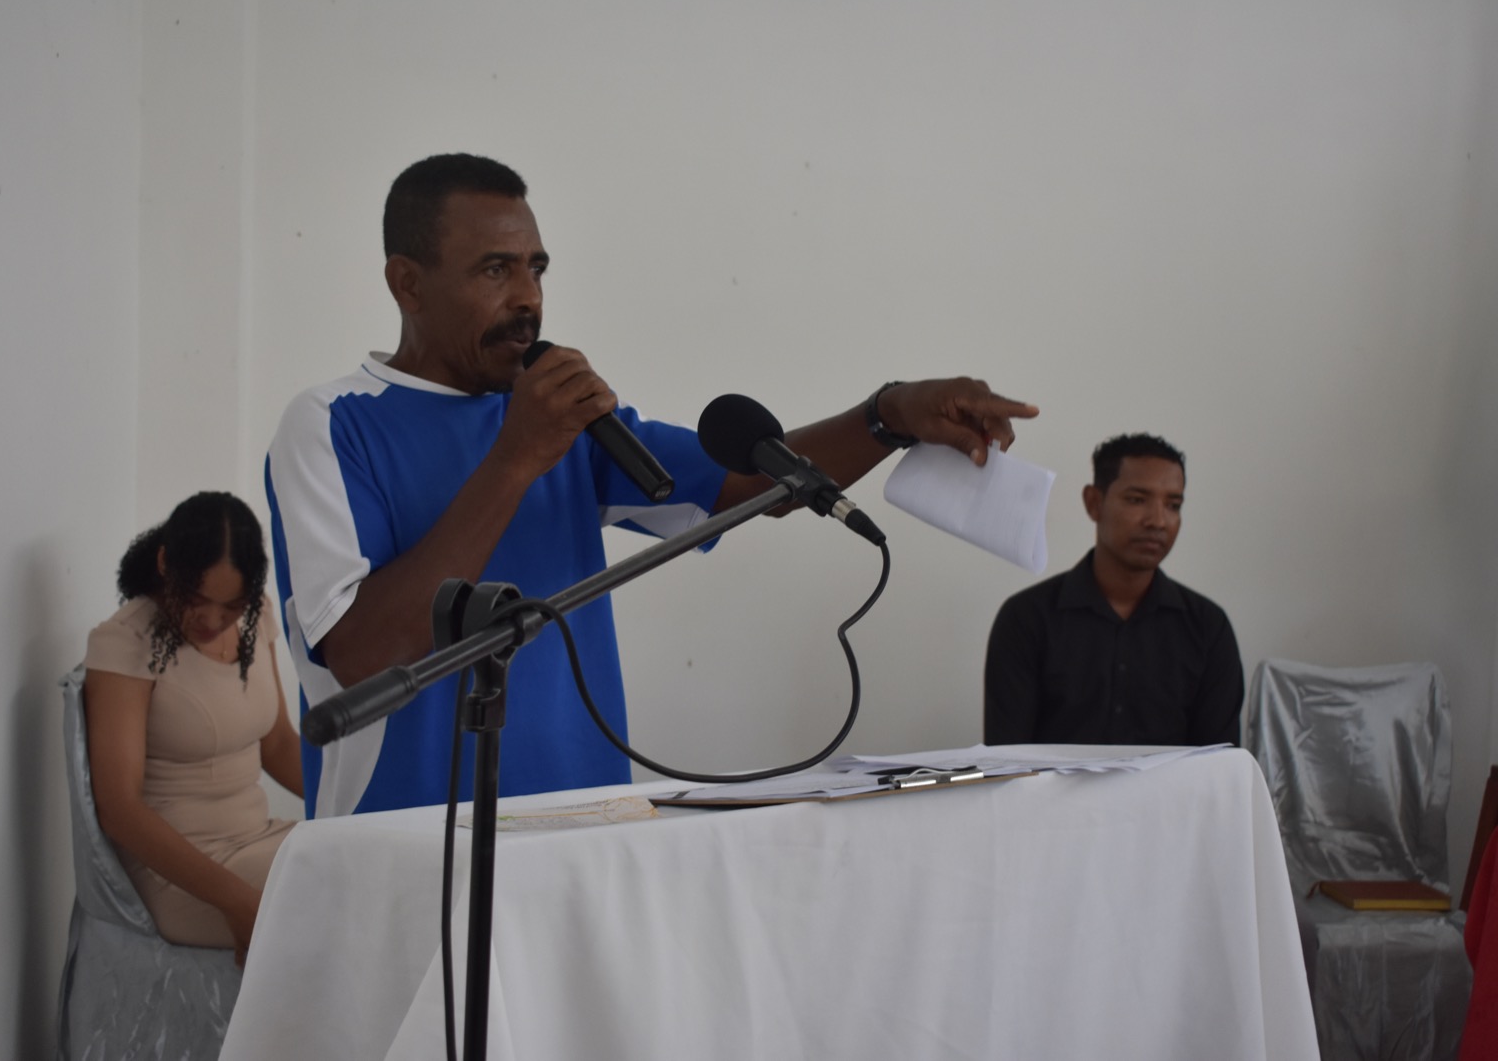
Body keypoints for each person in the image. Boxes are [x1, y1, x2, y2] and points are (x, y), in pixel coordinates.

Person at [265, 152, 1040, 818]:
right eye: (495, 270)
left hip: (584, 828)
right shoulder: (332, 424)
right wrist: (515, 458)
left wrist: (889, 413)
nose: (528, 297)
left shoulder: (558, 420)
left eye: (536, 268)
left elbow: (749, 482)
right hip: (406, 849)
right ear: (408, 283)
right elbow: (361, 655)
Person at [84, 491, 302, 964]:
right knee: (334, 905)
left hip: (258, 838)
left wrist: (364, 809)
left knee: (371, 869)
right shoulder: (126, 641)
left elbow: (280, 745)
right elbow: (118, 809)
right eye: (197, 599)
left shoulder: (256, 617)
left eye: (232, 606)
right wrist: (237, 901)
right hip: (182, 873)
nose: (213, 620)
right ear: (165, 565)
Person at [982, 433, 1243, 746]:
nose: (1158, 521)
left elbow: (1222, 764)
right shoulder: (1027, 619)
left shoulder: (1208, 628)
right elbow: (1006, 761)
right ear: (1094, 503)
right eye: (1137, 500)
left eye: (1173, 505)